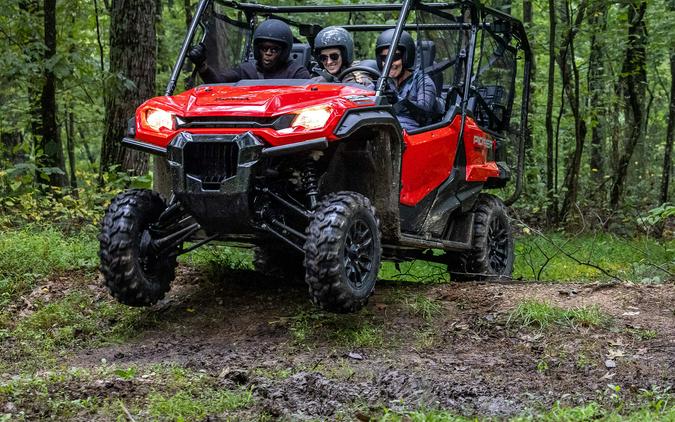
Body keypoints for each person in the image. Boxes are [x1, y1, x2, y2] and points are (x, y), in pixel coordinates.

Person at [188, 19, 310, 83]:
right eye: (264, 48)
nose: (268, 53)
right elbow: (217, 82)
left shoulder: (296, 73)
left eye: (274, 49)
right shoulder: (247, 71)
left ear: (284, 52)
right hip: (249, 121)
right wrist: (201, 65)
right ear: (258, 50)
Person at [375, 29, 442, 131]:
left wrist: (398, 100)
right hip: (387, 132)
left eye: (395, 57)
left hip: (415, 136)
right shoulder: (382, 82)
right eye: (384, 58)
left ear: (406, 57)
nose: (389, 63)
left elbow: (425, 115)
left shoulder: (423, 82)